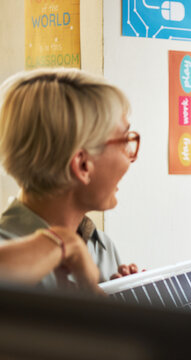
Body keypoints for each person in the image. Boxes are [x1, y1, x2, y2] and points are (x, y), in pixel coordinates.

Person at [0, 68, 140, 292]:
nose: (130, 157)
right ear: (83, 165)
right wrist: (63, 241)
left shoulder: (102, 248)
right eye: (124, 141)